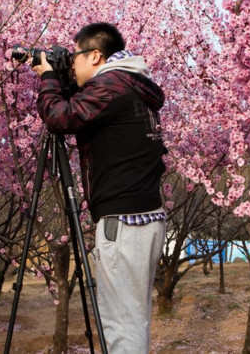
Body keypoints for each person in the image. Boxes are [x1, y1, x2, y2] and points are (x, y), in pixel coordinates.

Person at [32, 22, 167, 353]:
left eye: (75, 56)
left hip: (122, 220)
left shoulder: (111, 86)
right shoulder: (133, 84)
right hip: (145, 216)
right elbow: (81, 112)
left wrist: (49, 79)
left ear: (95, 55)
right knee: (133, 317)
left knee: (121, 323)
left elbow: (60, 119)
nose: (72, 64)